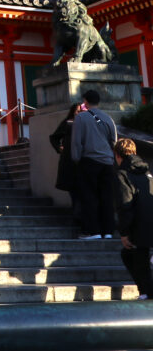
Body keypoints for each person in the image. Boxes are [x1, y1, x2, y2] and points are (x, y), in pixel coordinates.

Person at [71, 89, 118, 239]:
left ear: (85, 101)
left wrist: (76, 158)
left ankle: (93, 230)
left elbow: (77, 142)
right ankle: (108, 230)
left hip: (89, 160)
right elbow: (114, 140)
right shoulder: (108, 118)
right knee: (107, 196)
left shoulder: (81, 118)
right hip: (107, 161)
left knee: (89, 196)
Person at [112, 138, 153, 300]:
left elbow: (124, 205)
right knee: (137, 256)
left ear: (117, 155)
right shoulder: (147, 173)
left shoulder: (122, 175)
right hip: (149, 220)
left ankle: (146, 292)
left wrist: (124, 232)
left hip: (138, 224)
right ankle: (147, 292)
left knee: (134, 256)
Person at [49, 102, 82, 226]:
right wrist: (60, 148)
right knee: (74, 191)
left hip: (81, 162)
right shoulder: (67, 123)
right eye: (77, 111)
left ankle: (78, 216)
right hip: (69, 162)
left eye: (81, 111)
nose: (79, 113)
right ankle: (77, 216)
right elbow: (54, 137)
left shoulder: (85, 123)